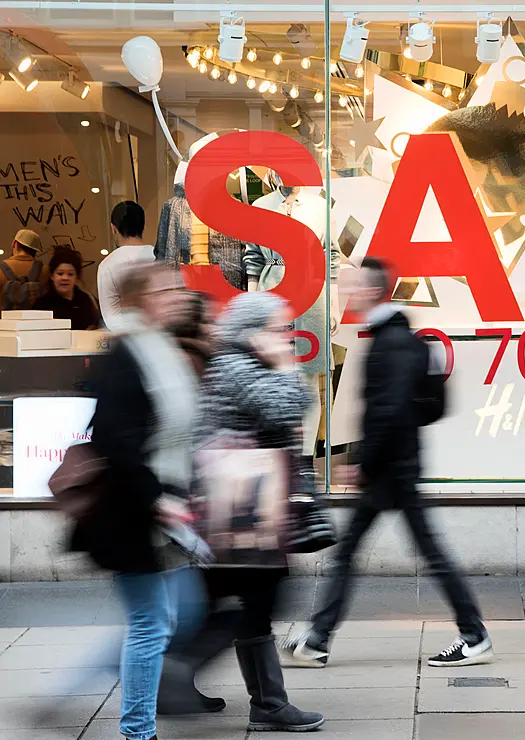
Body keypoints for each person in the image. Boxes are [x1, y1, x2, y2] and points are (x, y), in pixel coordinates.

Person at [282, 256, 493, 668]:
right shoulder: (401, 336)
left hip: (391, 469)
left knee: (413, 554)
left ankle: (474, 634)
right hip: (398, 465)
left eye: (352, 285)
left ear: (370, 291)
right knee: (390, 552)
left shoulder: (389, 342)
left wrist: (360, 459)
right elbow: (424, 407)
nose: (345, 290)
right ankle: (318, 639)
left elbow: (387, 409)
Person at [161, 291, 325, 732]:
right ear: (253, 332)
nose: (287, 338)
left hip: (241, 511)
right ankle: (187, 678)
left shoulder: (237, 363)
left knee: (242, 601)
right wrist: (288, 366)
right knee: (258, 598)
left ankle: (180, 679)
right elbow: (287, 406)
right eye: (278, 329)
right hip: (240, 512)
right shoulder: (239, 365)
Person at [69, 263, 205, 740]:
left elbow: (178, 430)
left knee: (169, 617)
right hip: (132, 514)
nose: (177, 296)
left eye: (178, 288)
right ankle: (136, 731)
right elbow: (113, 437)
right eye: (166, 290)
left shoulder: (162, 349)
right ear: (140, 300)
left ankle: (124, 721)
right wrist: (157, 499)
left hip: (159, 509)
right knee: (151, 623)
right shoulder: (128, 354)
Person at [99, 201, 157, 331]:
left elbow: (111, 317)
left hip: (129, 341)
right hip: (162, 338)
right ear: (143, 226)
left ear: (113, 228)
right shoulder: (160, 257)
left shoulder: (108, 265)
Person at [32, 247, 100, 329]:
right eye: (60, 273)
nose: (65, 278)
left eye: (70, 274)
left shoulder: (85, 300)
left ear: (77, 277)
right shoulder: (42, 304)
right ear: (52, 276)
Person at [0, 228, 49, 309]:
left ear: (14, 243)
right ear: (35, 250)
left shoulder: (0, 270)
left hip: (5, 320)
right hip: (36, 320)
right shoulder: (45, 271)